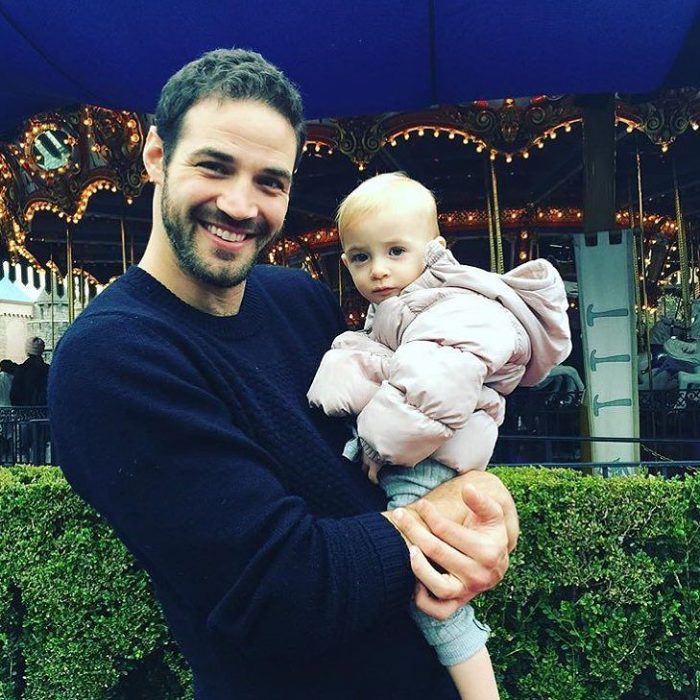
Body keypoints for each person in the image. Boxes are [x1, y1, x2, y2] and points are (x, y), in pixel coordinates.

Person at [48, 49, 519, 700]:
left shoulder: (299, 300)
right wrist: (430, 528)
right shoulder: (113, 360)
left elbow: (384, 470)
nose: (241, 205)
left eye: (270, 181)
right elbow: (285, 591)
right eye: (214, 167)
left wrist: (475, 500)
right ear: (157, 155)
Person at [308, 173, 571, 699]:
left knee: (422, 585)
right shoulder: (403, 306)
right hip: (425, 450)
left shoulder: (452, 305)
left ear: (433, 249)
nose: (378, 269)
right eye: (360, 258)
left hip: (424, 460)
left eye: (395, 251)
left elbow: (430, 391)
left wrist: (376, 445)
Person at [11, 337, 49, 406]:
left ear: (27, 351)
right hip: (45, 411)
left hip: (25, 412)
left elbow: (14, 395)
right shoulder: (48, 369)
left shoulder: (21, 370)